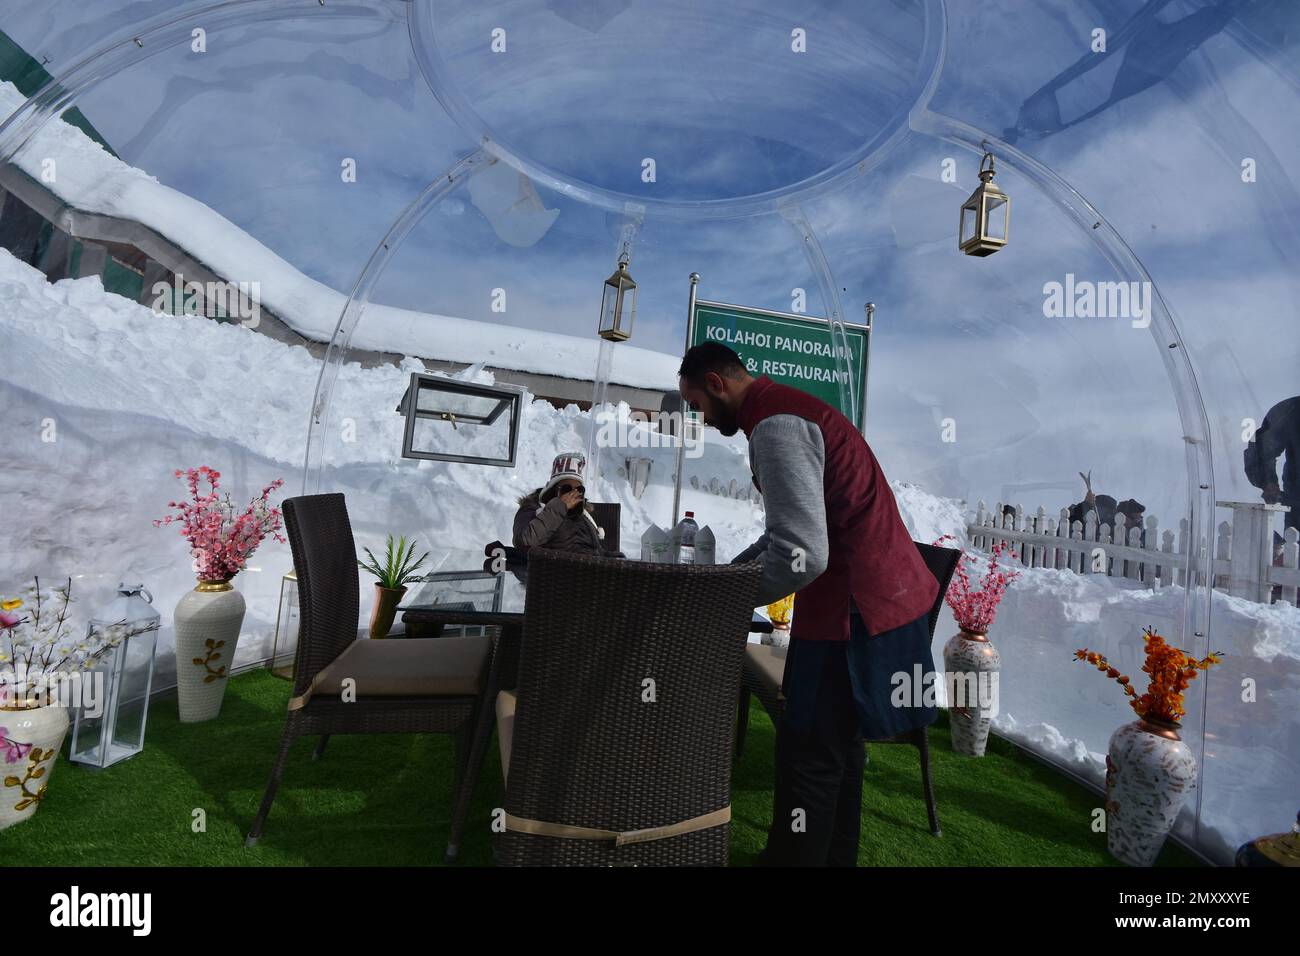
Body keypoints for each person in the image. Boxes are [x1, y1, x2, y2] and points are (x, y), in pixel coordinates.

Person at [678, 342, 938, 867]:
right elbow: (787, 537)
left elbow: (805, 552)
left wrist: (726, 599)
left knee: (811, 755)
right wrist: (728, 578)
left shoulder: (776, 426)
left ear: (715, 384)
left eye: (696, 406)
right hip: (878, 602)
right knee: (838, 751)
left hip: (853, 610)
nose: (700, 419)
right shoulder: (787, 411)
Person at [512, 451, 609, 556]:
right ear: (554, 490)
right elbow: (524, 541)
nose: (573, 494)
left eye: (578, 489)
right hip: (551, 569)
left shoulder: (584, 515)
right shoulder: (532, 508)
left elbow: (594, 551)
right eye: (567, 489)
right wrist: (559, 506)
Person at [1245, 396, 1300, 536]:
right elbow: (1263, 446)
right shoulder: (1292, 410)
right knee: (1293, 546)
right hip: (1297, 505)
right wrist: (1268, 481)